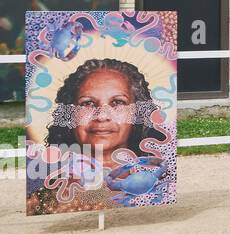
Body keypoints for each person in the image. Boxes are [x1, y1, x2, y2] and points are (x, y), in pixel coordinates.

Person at [32, 58, 171, 213]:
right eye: (88, 103)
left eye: (117, 102)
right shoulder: (42, 195)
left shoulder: (163, 182)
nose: (102, 116)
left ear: (138, 113)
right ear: (70, 114)